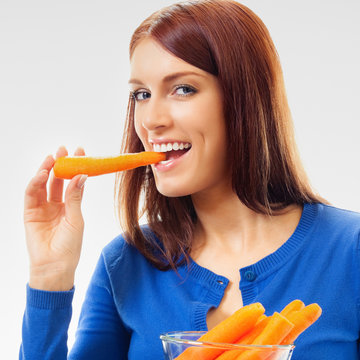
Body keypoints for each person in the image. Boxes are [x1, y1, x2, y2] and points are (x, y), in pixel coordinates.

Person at [20, 0, 360, 359]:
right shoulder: (125, 264)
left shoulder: (349, 251)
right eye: (141, 94)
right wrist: (49, 276)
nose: (151, 120)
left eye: (183, 89)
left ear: (244, 98)